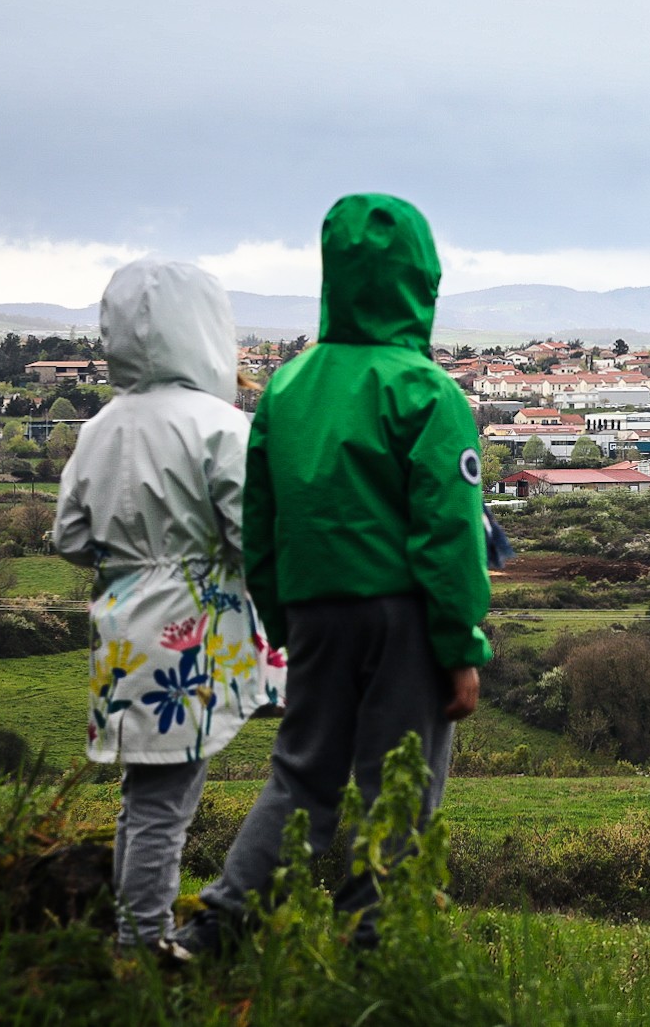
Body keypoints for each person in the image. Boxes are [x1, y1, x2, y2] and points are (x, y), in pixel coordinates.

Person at [186, 193, 492, 949]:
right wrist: (460, 646)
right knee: (399, 785)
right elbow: (448, 533)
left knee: (299, 775)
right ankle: (370, 950)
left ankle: (216, 928)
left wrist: (286, 622)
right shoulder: (427, 391)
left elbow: (262, 521)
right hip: (405, 619)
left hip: (315, 611)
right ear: (421, 279)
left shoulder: (287, 389)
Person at [54, 259, 279, 956]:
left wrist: (131, 556)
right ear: (209, 332)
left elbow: (68, 536)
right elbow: (256, 535)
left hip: (123, 627)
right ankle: (140, 944)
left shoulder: (99, 427)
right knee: (165, 803)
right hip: (196, 632)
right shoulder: (219, 426)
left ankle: (137, 930)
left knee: (145, 789)